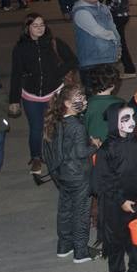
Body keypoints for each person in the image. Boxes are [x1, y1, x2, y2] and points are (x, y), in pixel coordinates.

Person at [96, 102, 137, 272]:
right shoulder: (107, 149)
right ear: (116, 123)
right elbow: (104, 179)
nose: (132, 121)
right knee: (116, 240)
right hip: (114, 203)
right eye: (125, 118)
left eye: (132, 117)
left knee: (136, 238)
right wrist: (121, 201)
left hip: (135, 199)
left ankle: (136, 270)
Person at [7, 12, 75, 177]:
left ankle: (60, 156)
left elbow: (73, 60)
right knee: (36, 129)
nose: (40, 28)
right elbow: (15, 74)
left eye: (42, 25)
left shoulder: (54, 43)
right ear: (27, 28)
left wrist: (57, 73)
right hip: (31, 96)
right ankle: (36, 157)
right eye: (35, 25)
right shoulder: (21, 48)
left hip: (54, 93)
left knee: (56, 126)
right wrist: (14, 100)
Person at [45, 80, 96, 262]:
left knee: (65, 209)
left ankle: (64, 245)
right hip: (79, 175)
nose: (84, 101)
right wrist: (95, 146)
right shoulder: (78, 126)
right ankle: (81, 251)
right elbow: (81, 152)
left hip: (63, 174)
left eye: (83, 97)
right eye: (79, 98)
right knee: (81, 211)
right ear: (67, 103)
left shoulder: (58, 122)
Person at [71, 0, 120, 89]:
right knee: (93, 95)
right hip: (91, 62)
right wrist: (114, 37)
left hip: (107, 58)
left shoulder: (103, 7)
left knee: (109, 92)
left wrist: (118, 46)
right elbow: (97, 31)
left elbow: (113, 26)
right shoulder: (81, 12)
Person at [102, 0, 136, 78]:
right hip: (125, 15)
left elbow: (116, 2)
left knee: (118, 43)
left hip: (117, 16)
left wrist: (104, 9)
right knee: (118, 41)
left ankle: (129, 68)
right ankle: (127, 67)